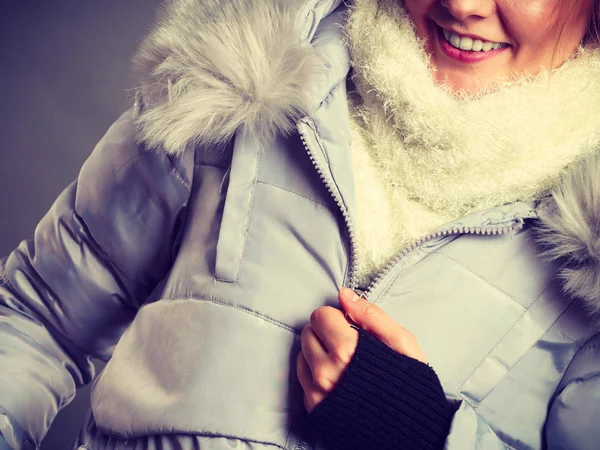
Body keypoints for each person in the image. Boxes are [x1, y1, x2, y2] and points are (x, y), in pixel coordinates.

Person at [1, 0, 599, 448]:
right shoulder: (245, 72)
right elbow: (38, 318)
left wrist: (420, 433)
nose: (462, 4)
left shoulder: (591, 246)